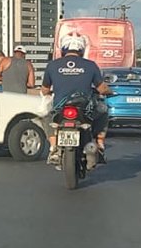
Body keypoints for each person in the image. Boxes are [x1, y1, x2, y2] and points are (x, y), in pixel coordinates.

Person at [41, 34, 111, 165]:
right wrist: (109, 91)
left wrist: (51, 91)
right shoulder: (91, 65)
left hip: (60, 109)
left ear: (63, 48)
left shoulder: (52, 65)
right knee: (103, 112)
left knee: (46, 117)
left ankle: (53, 147)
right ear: (82, 49)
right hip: (84, 109)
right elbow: (102, 89)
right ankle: (100, 144)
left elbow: (44, 90)